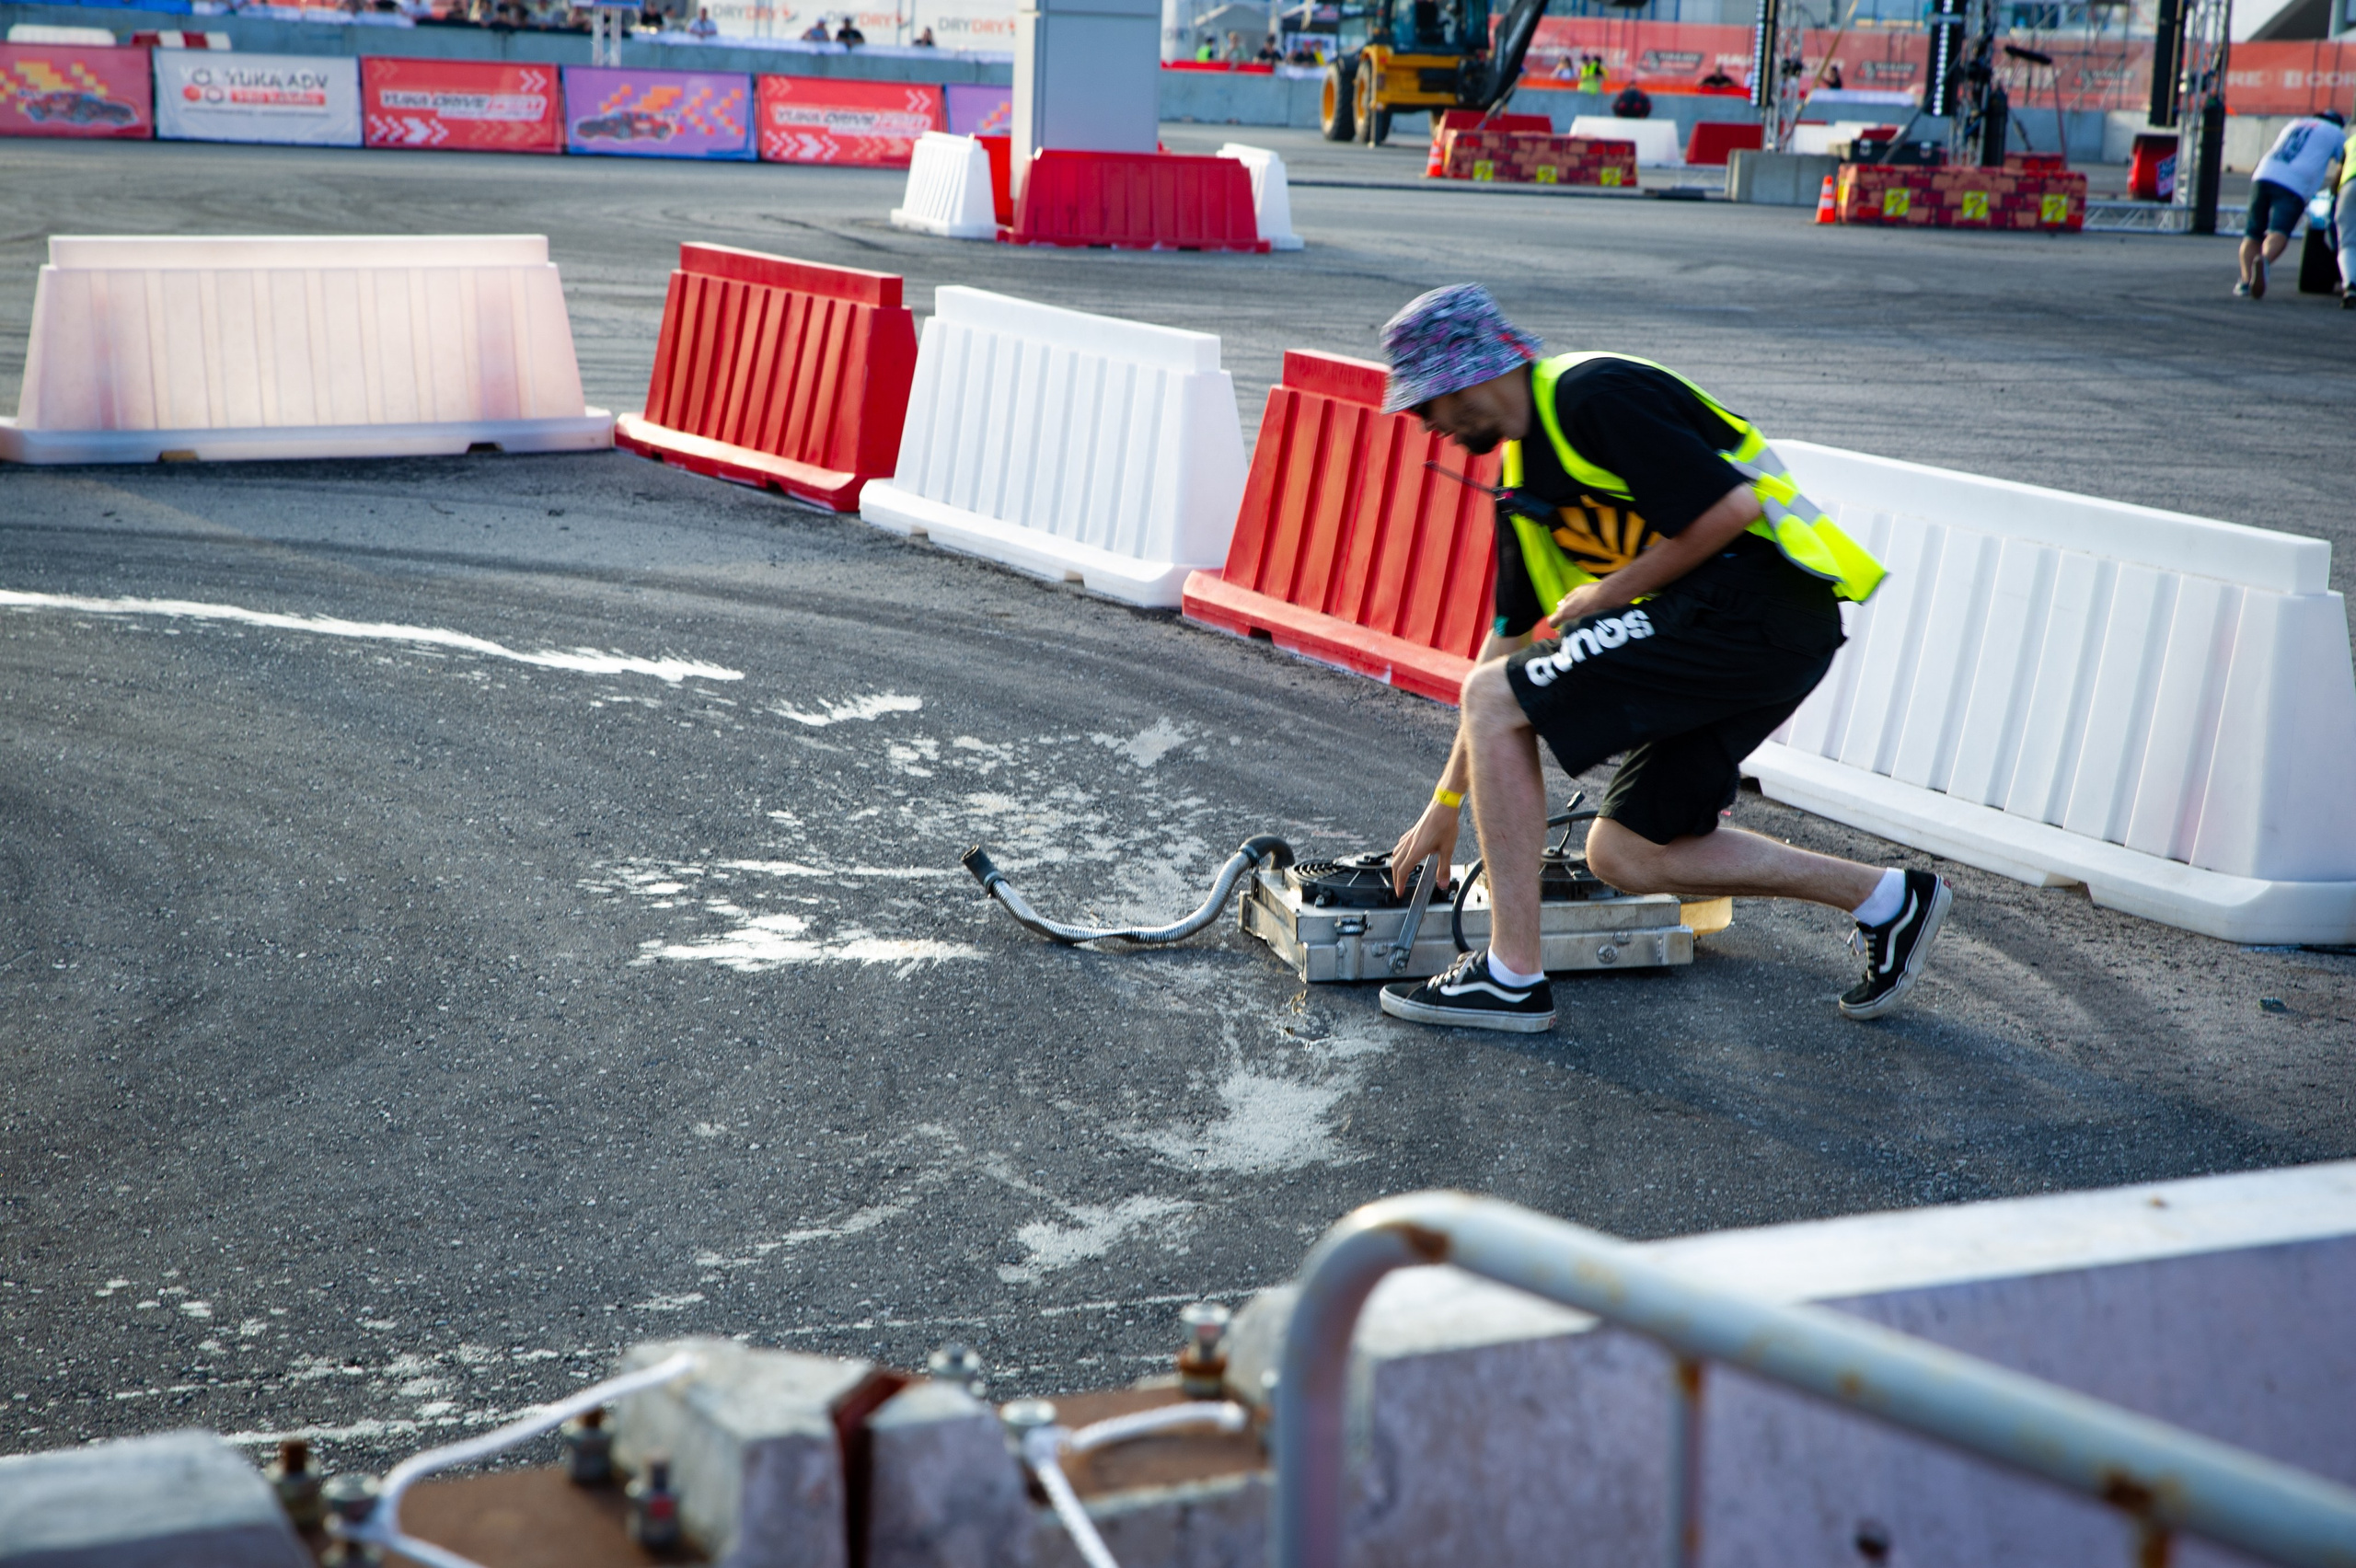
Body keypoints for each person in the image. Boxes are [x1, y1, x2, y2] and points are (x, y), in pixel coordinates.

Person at [1374, 284, 1950, 1033]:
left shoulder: (1592, 395)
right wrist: (1444, 805)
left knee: (1493, 698)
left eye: (1427, 405)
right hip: (1741, 633)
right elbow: (1507, 641)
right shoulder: (1522, 484)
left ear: (1470, 376)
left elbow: (1734, 509)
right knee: (1626, 853)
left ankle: (1511, 975)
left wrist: (1611, 591)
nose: (1428, 426)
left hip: (1753, 607)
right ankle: (1889, 899)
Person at [2237, 110, 2346, 300]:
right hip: (2294, 184)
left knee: (2252, 233)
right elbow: (2343, 164)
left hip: (2263, 173)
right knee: (2278, 231)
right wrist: (2335, 189)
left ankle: (2245, 282)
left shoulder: (2295, 123)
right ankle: (2264, 260)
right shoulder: (2336, 133)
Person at [2337, 112, 2356, 308]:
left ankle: (2350, 284)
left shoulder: (2351, 141)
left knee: (2348, 242)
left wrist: (2334, 193)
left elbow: (2338, 172)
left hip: (2350, 185)